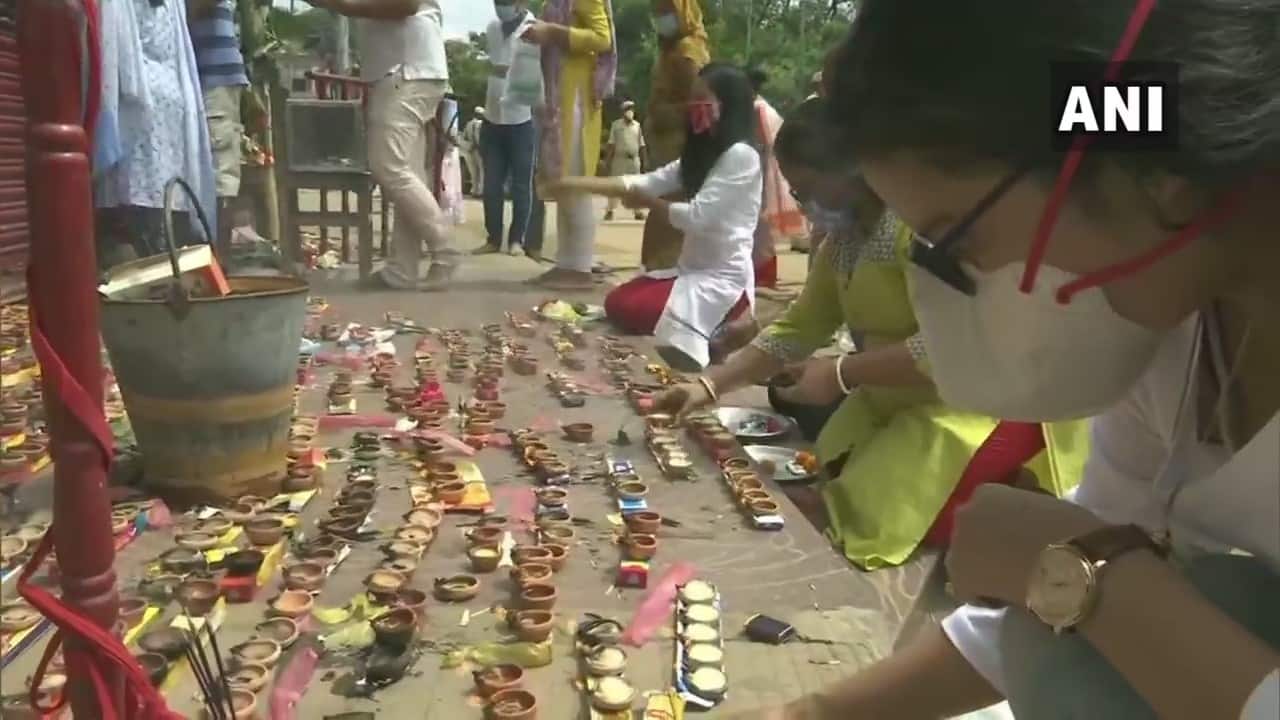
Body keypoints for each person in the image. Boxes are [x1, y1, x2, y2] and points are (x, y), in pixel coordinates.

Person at [735, 1, 1280, 718]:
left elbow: (1078, 575)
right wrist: (811, 713)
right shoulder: (1168, 325)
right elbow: (1052, 595)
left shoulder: (1147, 284)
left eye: (957, 241)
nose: (960, 284)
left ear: (1149, 165)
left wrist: (1095, 573)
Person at [658, 97, 1087, 569]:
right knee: (829, 473)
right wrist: (709, 384)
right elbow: (800, 327)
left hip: (975, 407)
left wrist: (844, 372)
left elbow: (955, 346)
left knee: (875, 509)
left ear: (856, 170)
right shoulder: (844, 242)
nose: (807, 207)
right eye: (797, 195)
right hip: (893, 397)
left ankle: (1017, 485)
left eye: (811, 191)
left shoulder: (918, 232)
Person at [549, 63, 760, 372]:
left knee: (633, 309)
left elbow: (697, 217)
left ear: (726, 105)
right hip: (690, 273)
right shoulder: (700, 155)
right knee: (618, 301)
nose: (692, 107)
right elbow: (643, 182)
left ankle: (733, 319)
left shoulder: (741, 156)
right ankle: (712, 328)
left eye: (701, 99)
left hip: (723, 279)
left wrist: (649, 203)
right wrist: (573, 184)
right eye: (692, 98)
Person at [304, 0, 456, 290]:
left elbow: (407, 4)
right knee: (407, 172)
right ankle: (402, 269)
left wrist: (344, 5)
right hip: (410, 70)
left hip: (407, 71)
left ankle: (444, 249)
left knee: (389, 166)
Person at [94, 0, 216, 265]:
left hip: (140, 102)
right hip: (170, 101)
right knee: (165, 201)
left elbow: (113, 44)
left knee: (136, 204)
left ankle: (147, 264)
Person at [520, 0, 617, 290]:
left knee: (575, 183)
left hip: (576, 98)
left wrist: (551, 31)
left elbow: (602, 39)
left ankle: (579, 267)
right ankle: (567, 263)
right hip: (559, 96)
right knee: (565, 185)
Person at [640, 0, 709, 272]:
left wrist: (662, 112)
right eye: (657, 12)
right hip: (667, 144)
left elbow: (699, 104)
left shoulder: (687, 52)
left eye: (667, 12)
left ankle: (663, 274)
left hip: (679, 144)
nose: (661, 18)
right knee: (665, 209)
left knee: (670, 211)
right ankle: (659, 272)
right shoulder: (671, 49)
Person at [472, 0, 539, 257]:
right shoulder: (492, 27)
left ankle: (516, 240)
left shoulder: (533, 28)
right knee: (491, 183)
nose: (501, 7)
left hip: (521, 119)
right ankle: (493, 238)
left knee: (521, 185)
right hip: (492, 115)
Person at [188, 0, 249, 246]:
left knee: (222, 171)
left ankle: (217, 259)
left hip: (213, 75)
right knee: (222, 169)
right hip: (217, 74)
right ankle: (215, 258)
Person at [748, 68, 805, 288]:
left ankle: (764, 275)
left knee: (761, 228)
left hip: (761, 173)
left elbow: (764, 143)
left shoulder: (758, 109)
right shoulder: (759, 107)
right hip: (759, 172)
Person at [603, 100, 647, 221]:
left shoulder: (637, 126)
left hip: (634, 160)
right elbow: (611, 144)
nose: (630, 111)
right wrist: (607, 161)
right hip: (619, 160)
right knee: (616, 186)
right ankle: (610, 210)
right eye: (628, 108)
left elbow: (642, 145)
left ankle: (637, 212)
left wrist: (644, 161)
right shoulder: (616, 125)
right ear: (623, 111)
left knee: (636, 187)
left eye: (632, 108)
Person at [460, 107, 485, 197]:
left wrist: (467, 145)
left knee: (473, 172)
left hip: (470, 150)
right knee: (482, 171)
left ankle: (474, 190)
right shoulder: (482, 124)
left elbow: (463, 137)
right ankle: (481, 191)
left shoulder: (468, 124)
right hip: (479, 149)